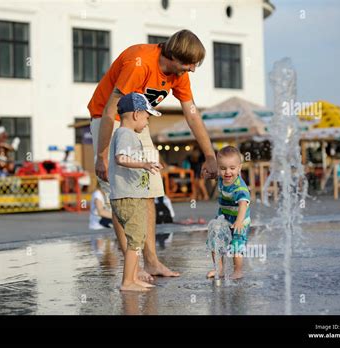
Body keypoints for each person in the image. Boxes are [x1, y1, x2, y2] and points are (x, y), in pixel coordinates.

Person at [88, 29, 218, 281]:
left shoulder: (178, 74)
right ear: (173, 56)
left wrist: (209, 155)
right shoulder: (140, 63)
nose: (192, 69)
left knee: (148, 191)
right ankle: (132, 268)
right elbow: (108, 111)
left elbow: (191, 114)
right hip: (110, 120)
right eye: (188, 64)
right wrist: (101, 156)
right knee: (123, 192)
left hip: (139, 120)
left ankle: (152, 262)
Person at [108, 92, 162, 291]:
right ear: (136, 114)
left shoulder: (125, 134)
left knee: (136, 238)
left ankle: (132, 278)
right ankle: (127, 282)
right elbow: (120, 158)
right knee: (136, 238)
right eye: (147, 117)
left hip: (129, 196)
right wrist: (144, 164)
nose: (147, 123)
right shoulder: (125, 134)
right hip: (129, 197)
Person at [206, 146, 251, 280]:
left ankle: (238, 271)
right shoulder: (222, 178)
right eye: (223, 168)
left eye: (232, 168)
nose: (227, 172)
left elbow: (243, 204)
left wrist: (239, 221)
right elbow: (215, 175)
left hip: (240, 219)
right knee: (215, 240)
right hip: (223, 217)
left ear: (239, 168)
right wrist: (208, 175)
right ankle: (219, 270)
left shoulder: (239, 187)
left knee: (236, 246)